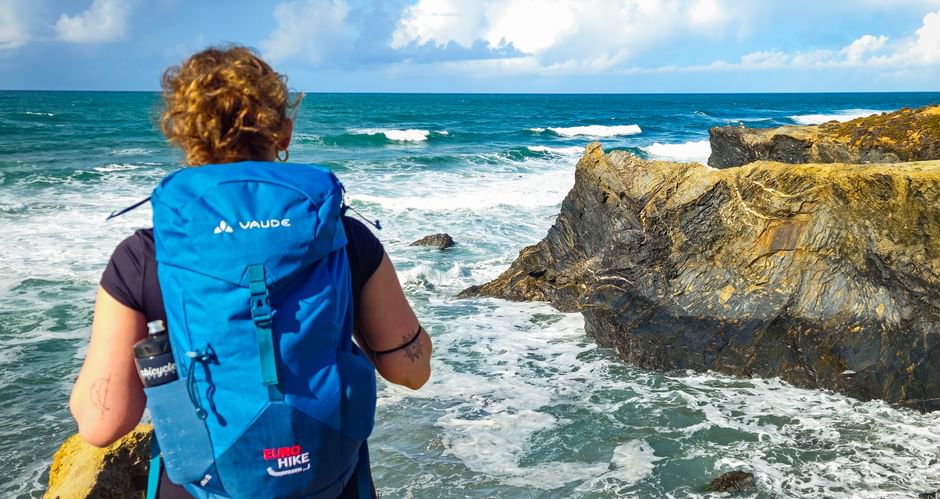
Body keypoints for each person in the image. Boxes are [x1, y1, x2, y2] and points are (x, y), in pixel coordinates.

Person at [69, 46, 432, 498]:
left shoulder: (145, 254)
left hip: (208, 482)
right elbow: (411, 373)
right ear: (284, 133)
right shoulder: (341, 236)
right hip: (329, 480)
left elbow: (103, 424)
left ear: (184, 137)